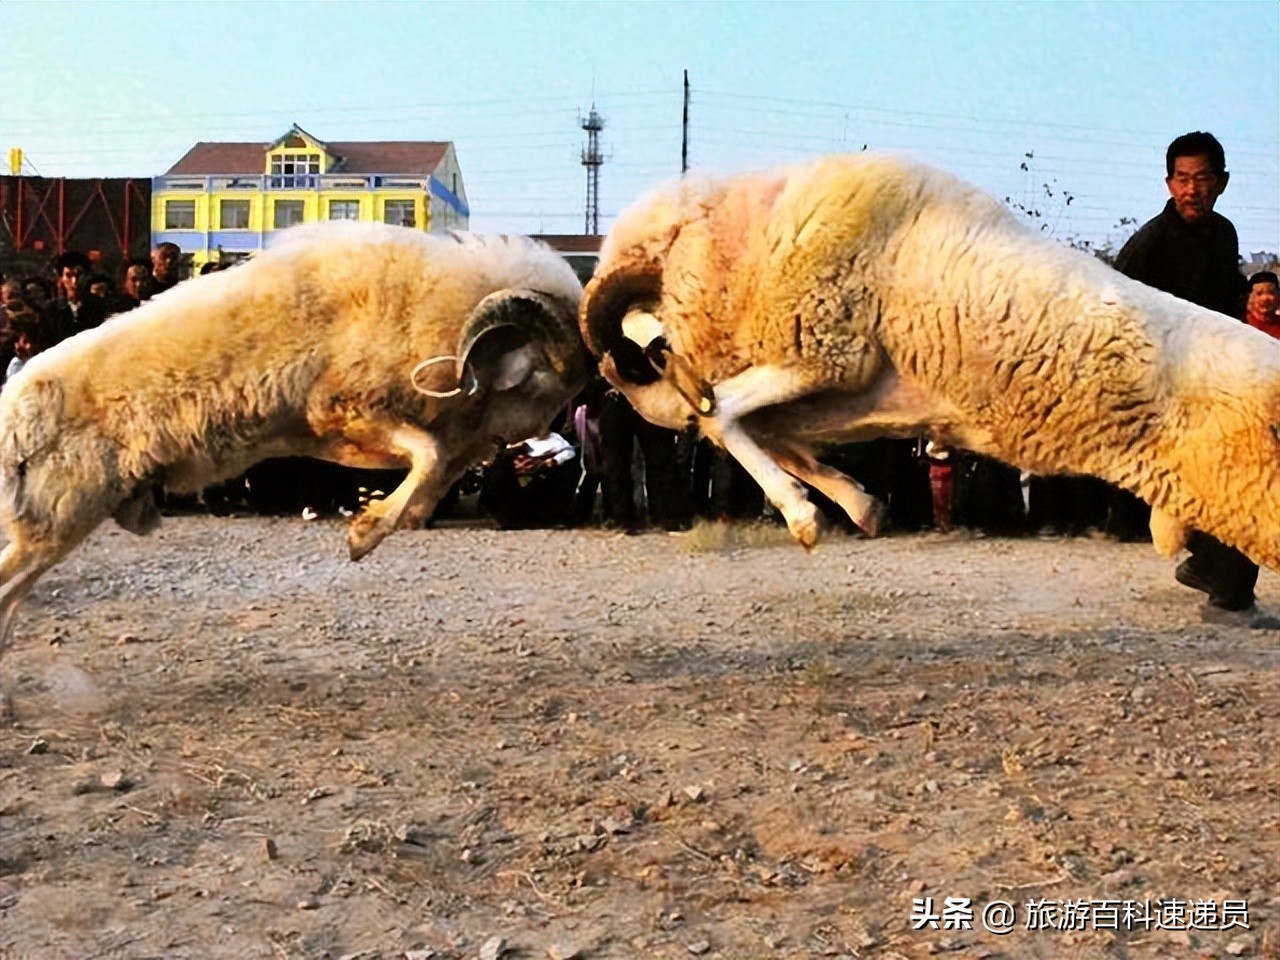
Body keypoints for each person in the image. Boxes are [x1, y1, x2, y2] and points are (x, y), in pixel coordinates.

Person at [1114, 131, 1276, 629]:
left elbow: (1228, 302)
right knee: (1228, 484)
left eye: (1202, 178)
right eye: (1182, 179)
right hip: (1164, 389)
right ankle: (1224, 588)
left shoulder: (1223, 234)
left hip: (1216, 382)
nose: (1192, 190)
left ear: (1222, 182)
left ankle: (1218, 578)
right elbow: (1115, 316)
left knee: (1236, 477)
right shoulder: (1148, 246)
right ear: (1168, 183)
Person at [48, 250, 107, 342]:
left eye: (79, 274)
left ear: (87, 276)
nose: (74, 281)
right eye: (68, 275)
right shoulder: (51, 310)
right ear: (61, 278)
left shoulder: (99, 306)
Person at [1244, 270, 1280, 338]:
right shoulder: (1242, 325)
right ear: (1250, 297)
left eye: (1271, 293)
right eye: (1259, 293)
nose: (1265, 299)